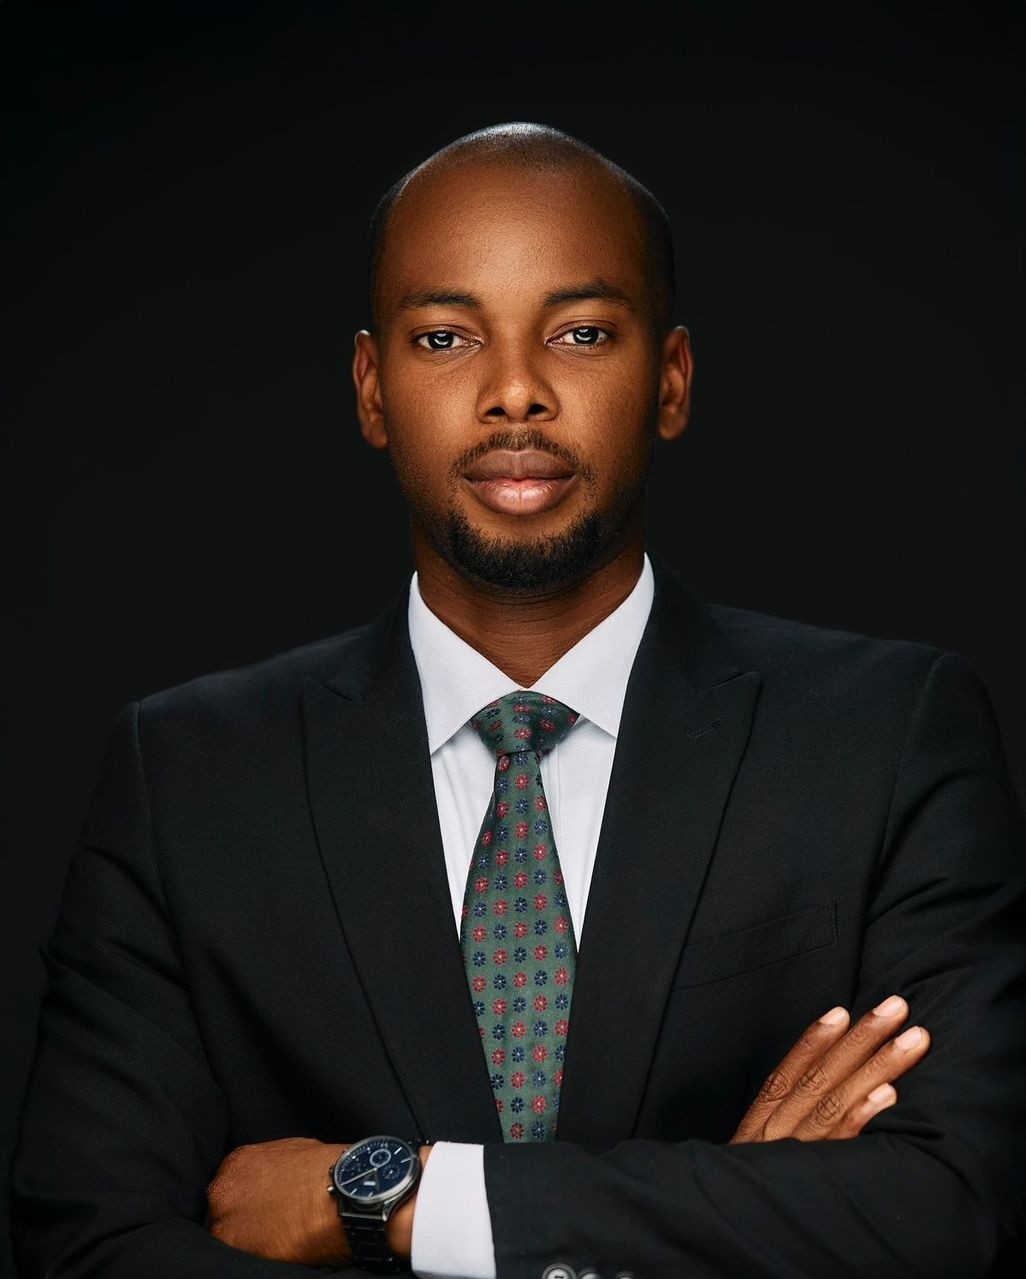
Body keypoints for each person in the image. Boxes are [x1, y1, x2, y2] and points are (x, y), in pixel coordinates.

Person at [12, 122, 1025, 1279]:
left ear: (674, 379)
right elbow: (84, 1250)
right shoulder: (184, 776)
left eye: (582, 333)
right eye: (445, 337)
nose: (514, 394)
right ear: (371, 388)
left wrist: (401, 1200)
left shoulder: (887, 739)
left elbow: (954, 1209)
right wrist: (733, 1215)